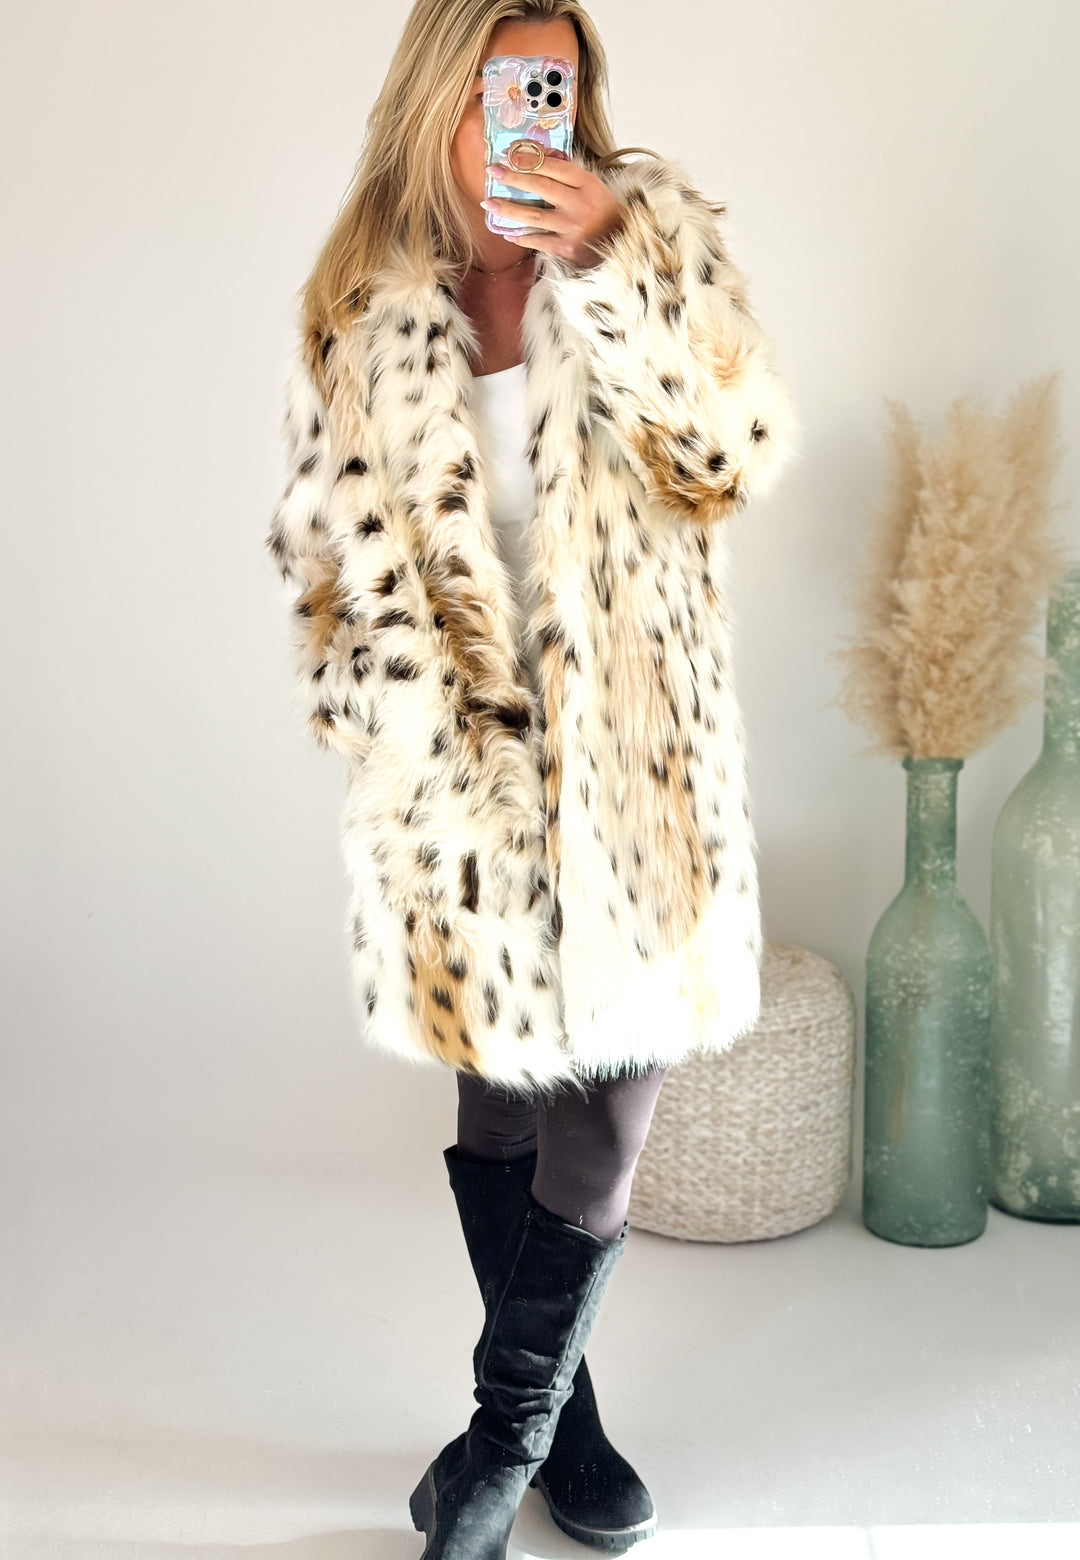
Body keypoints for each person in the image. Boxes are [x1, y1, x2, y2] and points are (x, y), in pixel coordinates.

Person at [266, 2, 800, 1554]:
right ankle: (566, 1421)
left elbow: (728, 458)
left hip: (639, 771)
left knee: (604, 1125)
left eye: (552, 85)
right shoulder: (360, 306)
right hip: (465, 777)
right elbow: (327, 566)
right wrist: (410, 752)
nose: (530, 116)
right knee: (501, 1101)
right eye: (500, 88)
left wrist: (617, 262)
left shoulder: (649, 235)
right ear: (441, 98)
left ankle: (491, 1464)